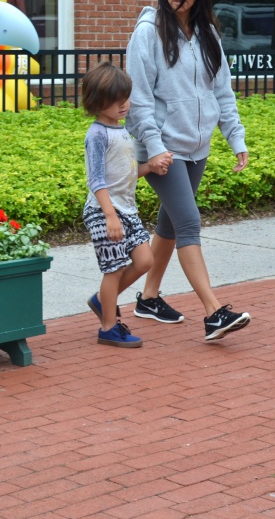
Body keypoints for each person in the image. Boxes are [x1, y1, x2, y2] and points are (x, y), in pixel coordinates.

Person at [125, 0, 252, 342]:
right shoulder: (148, 32)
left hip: (197, 145)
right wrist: (154, 145)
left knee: (170, 224)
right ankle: (214, 312)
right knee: (189, 221)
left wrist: (236, 137)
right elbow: (139, 100)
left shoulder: (208, 33)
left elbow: (222, 92)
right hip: (162, 148)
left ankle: (145, 298)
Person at [80, 63, 167, 348]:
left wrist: (150, 166)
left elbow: (126, 172)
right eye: (115, 100)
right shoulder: (97, 135)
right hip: (104, 211)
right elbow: (96, 179)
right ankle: (108, 327)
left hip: (125, 209)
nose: (123, 105)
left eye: (125, 98)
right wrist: (109, 216)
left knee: (144, 261)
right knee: (114, 268)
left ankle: (103, 299)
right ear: (96, 102)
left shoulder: (121, 130)